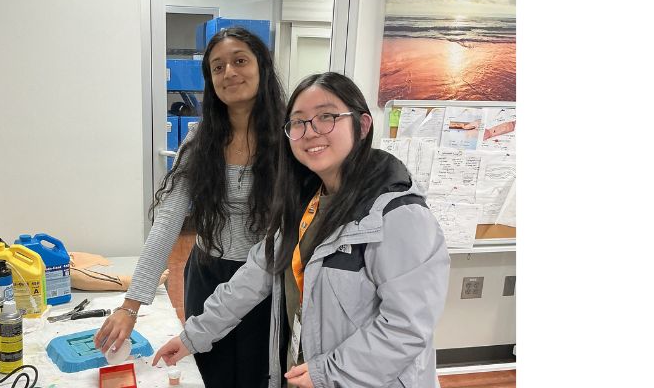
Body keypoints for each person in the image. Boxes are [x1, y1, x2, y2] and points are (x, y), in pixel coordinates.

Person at [152, 72, 451, 388]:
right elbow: (253, 279)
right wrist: (192, 336)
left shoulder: (398, 214)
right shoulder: (305, 203)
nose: (310, 132)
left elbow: (408, 326)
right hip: (306, 375)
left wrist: (329, 372)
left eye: (326, 117)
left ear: (362, 126)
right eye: (298, 122)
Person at [94, 27, 285, 388]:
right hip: (207, 275)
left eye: (240, 60)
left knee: (258, 375)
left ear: (261, 66)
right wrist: (130, 306)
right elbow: (168, 218)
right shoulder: (201, 139)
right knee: (210, 373)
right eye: (217, 67)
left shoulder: (291, 140)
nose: (229, 72)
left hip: (266, 282)